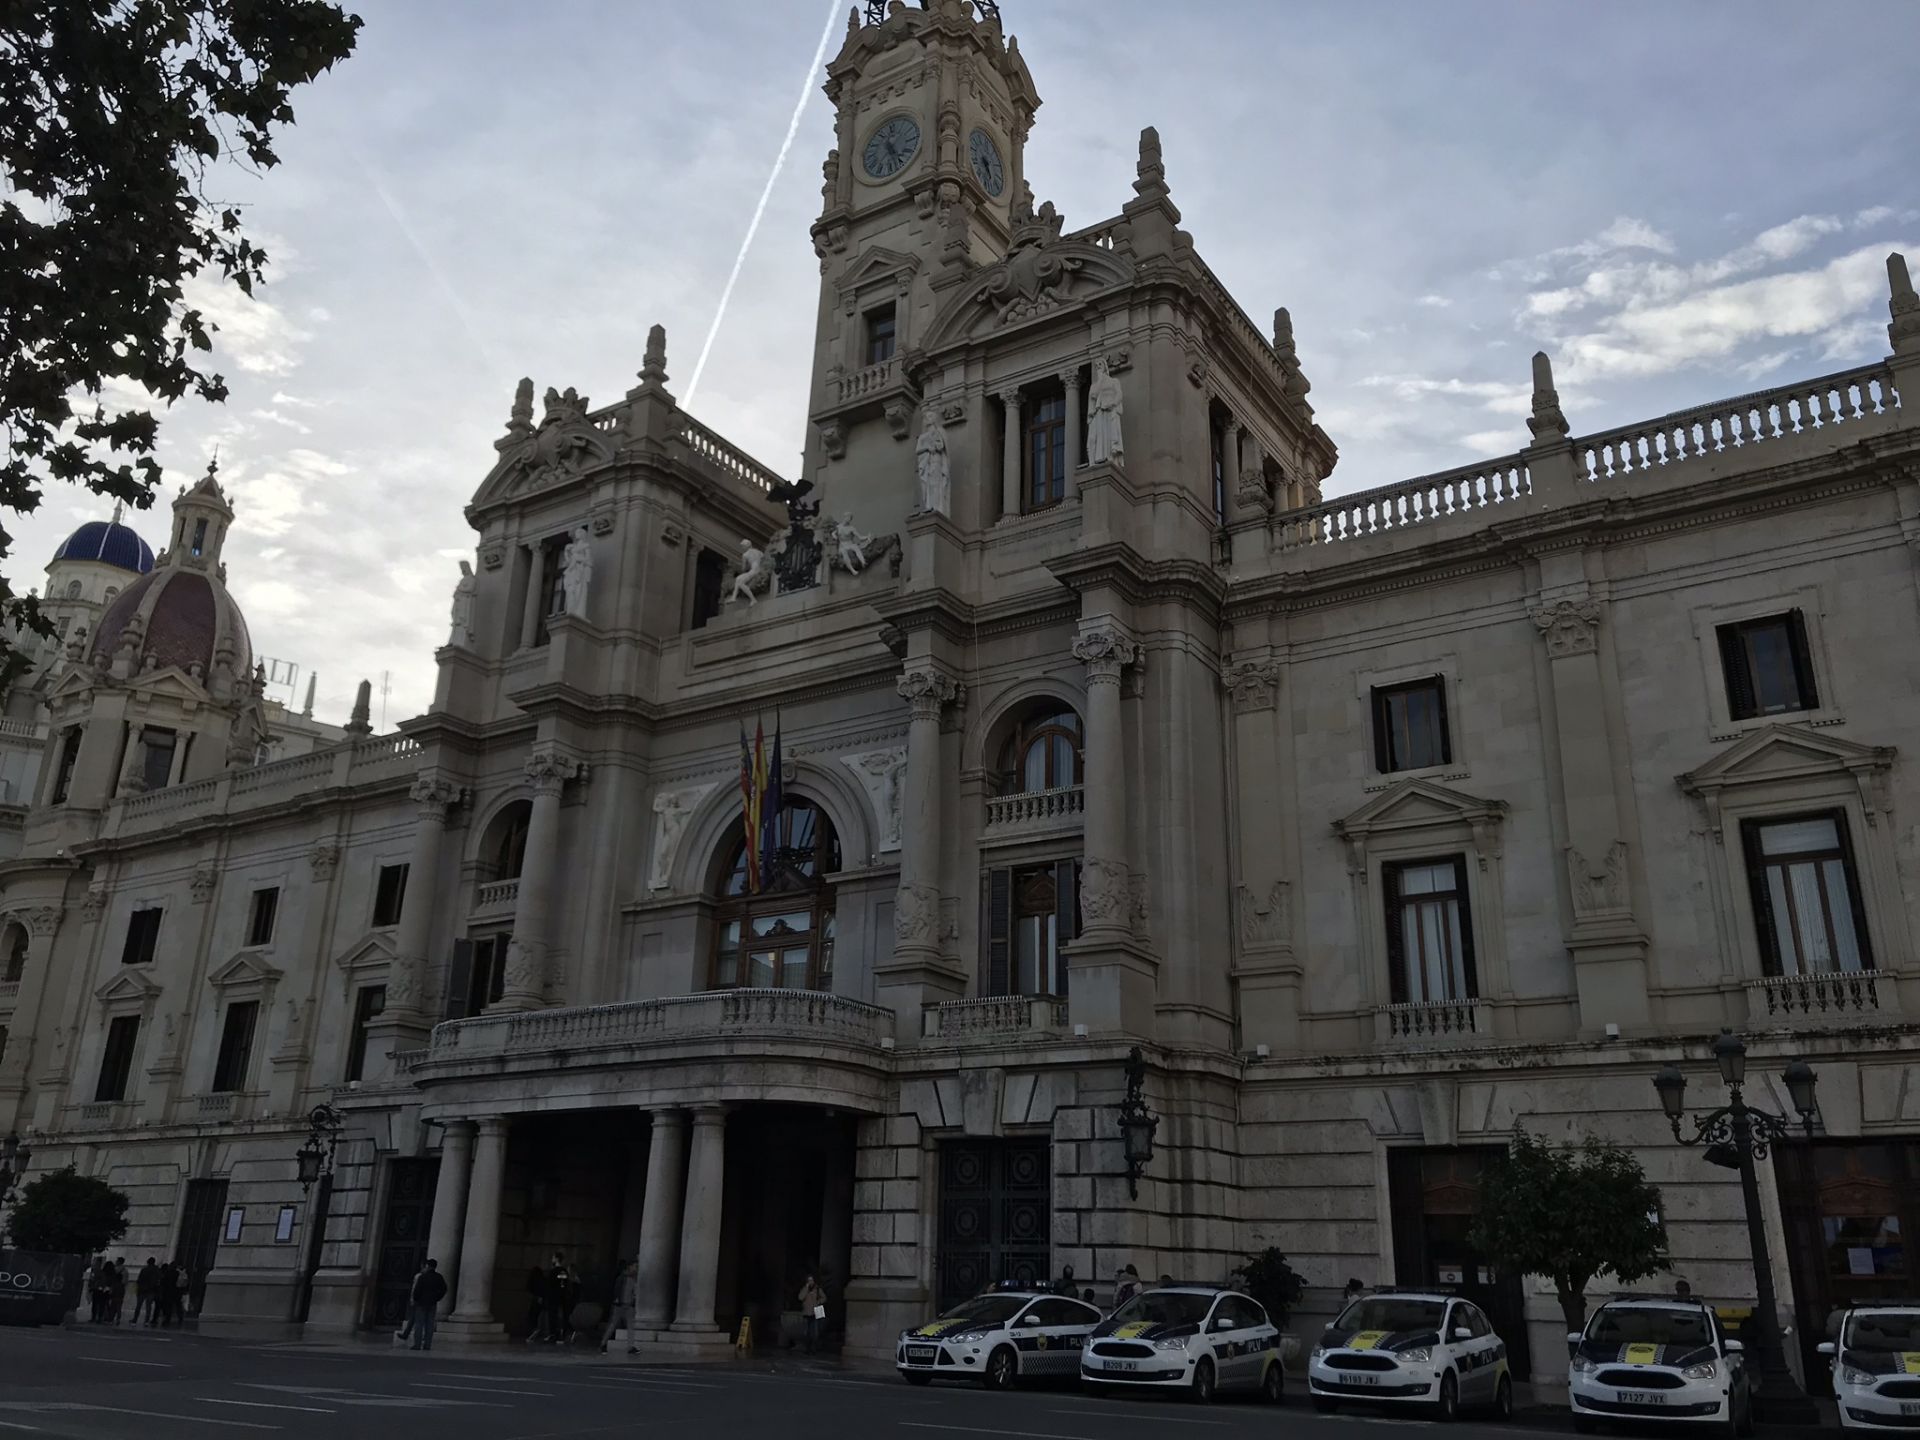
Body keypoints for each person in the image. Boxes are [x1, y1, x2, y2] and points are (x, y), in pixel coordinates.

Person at [408, 1259, 448, 1351]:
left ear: (427, 1266)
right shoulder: (439, 1277)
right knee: (429, 1325)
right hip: (432, 1303)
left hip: (421, 1303)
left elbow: (417, 1290)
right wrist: (437, 1298)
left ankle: (417, 1344)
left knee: (419, 1324)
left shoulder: (423, 1277)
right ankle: (427, 1345)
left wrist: (416, 1299)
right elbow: (444, 1289)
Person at [601, 1260, 638, 1356]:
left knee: (630, 1326)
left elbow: (633, 1291)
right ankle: (603, 1343)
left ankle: (630, 1347)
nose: (636, 1268)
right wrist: (617, 1300)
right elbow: (617, 1290)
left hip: (628, 1305)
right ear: (629, 1267)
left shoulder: (632, 1279)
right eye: (634, 1266)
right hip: (620, 1305)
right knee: (613, 1324)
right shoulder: (622, 1278)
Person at [396, 1261, 429, 1343]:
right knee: (414, 1318)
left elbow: (415, 1289)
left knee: (416, 1319)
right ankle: (407, 1334)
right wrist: (413, 1299)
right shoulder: (419, 1276)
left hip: (421, 1301)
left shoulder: (422, 1276)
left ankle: (407, 1334)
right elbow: (414, 1289)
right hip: (420, 1301)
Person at [798, 1273, 826, 1356]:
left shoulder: (817, 1289)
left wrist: (818, 1302)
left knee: (815, 1332)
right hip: (807, 1313)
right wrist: (806, 1288)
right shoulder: (805, 1289)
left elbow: (824, 1298)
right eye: (809, 1280)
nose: (810, 1282)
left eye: (812, 1280)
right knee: (807, 1332)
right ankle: (807, 1348)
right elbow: (800, 1297)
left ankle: (814, 1348)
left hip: (815, 1312)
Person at [524, 1262, 551, 1343]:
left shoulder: (532, 1281)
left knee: (533, 1318)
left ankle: (533, 1333)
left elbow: (528, 1291)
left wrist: (536, 1298)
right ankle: (539, 1332)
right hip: (542, 1302)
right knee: (540, 1318)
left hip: (535, 1302)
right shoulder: (543, 1280)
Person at [153, 1259, 181, 1328]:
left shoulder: (167, 1273)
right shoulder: (177, 1273)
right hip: (173, 1292)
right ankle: (167, 1319)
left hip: (165, 1292)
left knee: (163, 1306)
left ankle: (159, 1319)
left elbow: (163, 1282)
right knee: (169, 1307)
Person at [133, 1258, 159, 1326]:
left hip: (142, 1290)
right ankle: (146, 1321)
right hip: (151, 1290)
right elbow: (157, 1281)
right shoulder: (157, 1270)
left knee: (138, 1306)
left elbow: (139, 1280)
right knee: (148, 1307)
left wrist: (138, 1289)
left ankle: (135, 1319)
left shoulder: (144, 1270)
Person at [108, 1257, 128, 1323]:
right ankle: (118, 1318)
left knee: (113, 1305)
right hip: (121, 1290)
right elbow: (125, 1282)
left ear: (119, 1262)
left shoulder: (114, 1270)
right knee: (119, 1305)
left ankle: (111, 1318)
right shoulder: (125, 1271)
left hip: (115, 1289)